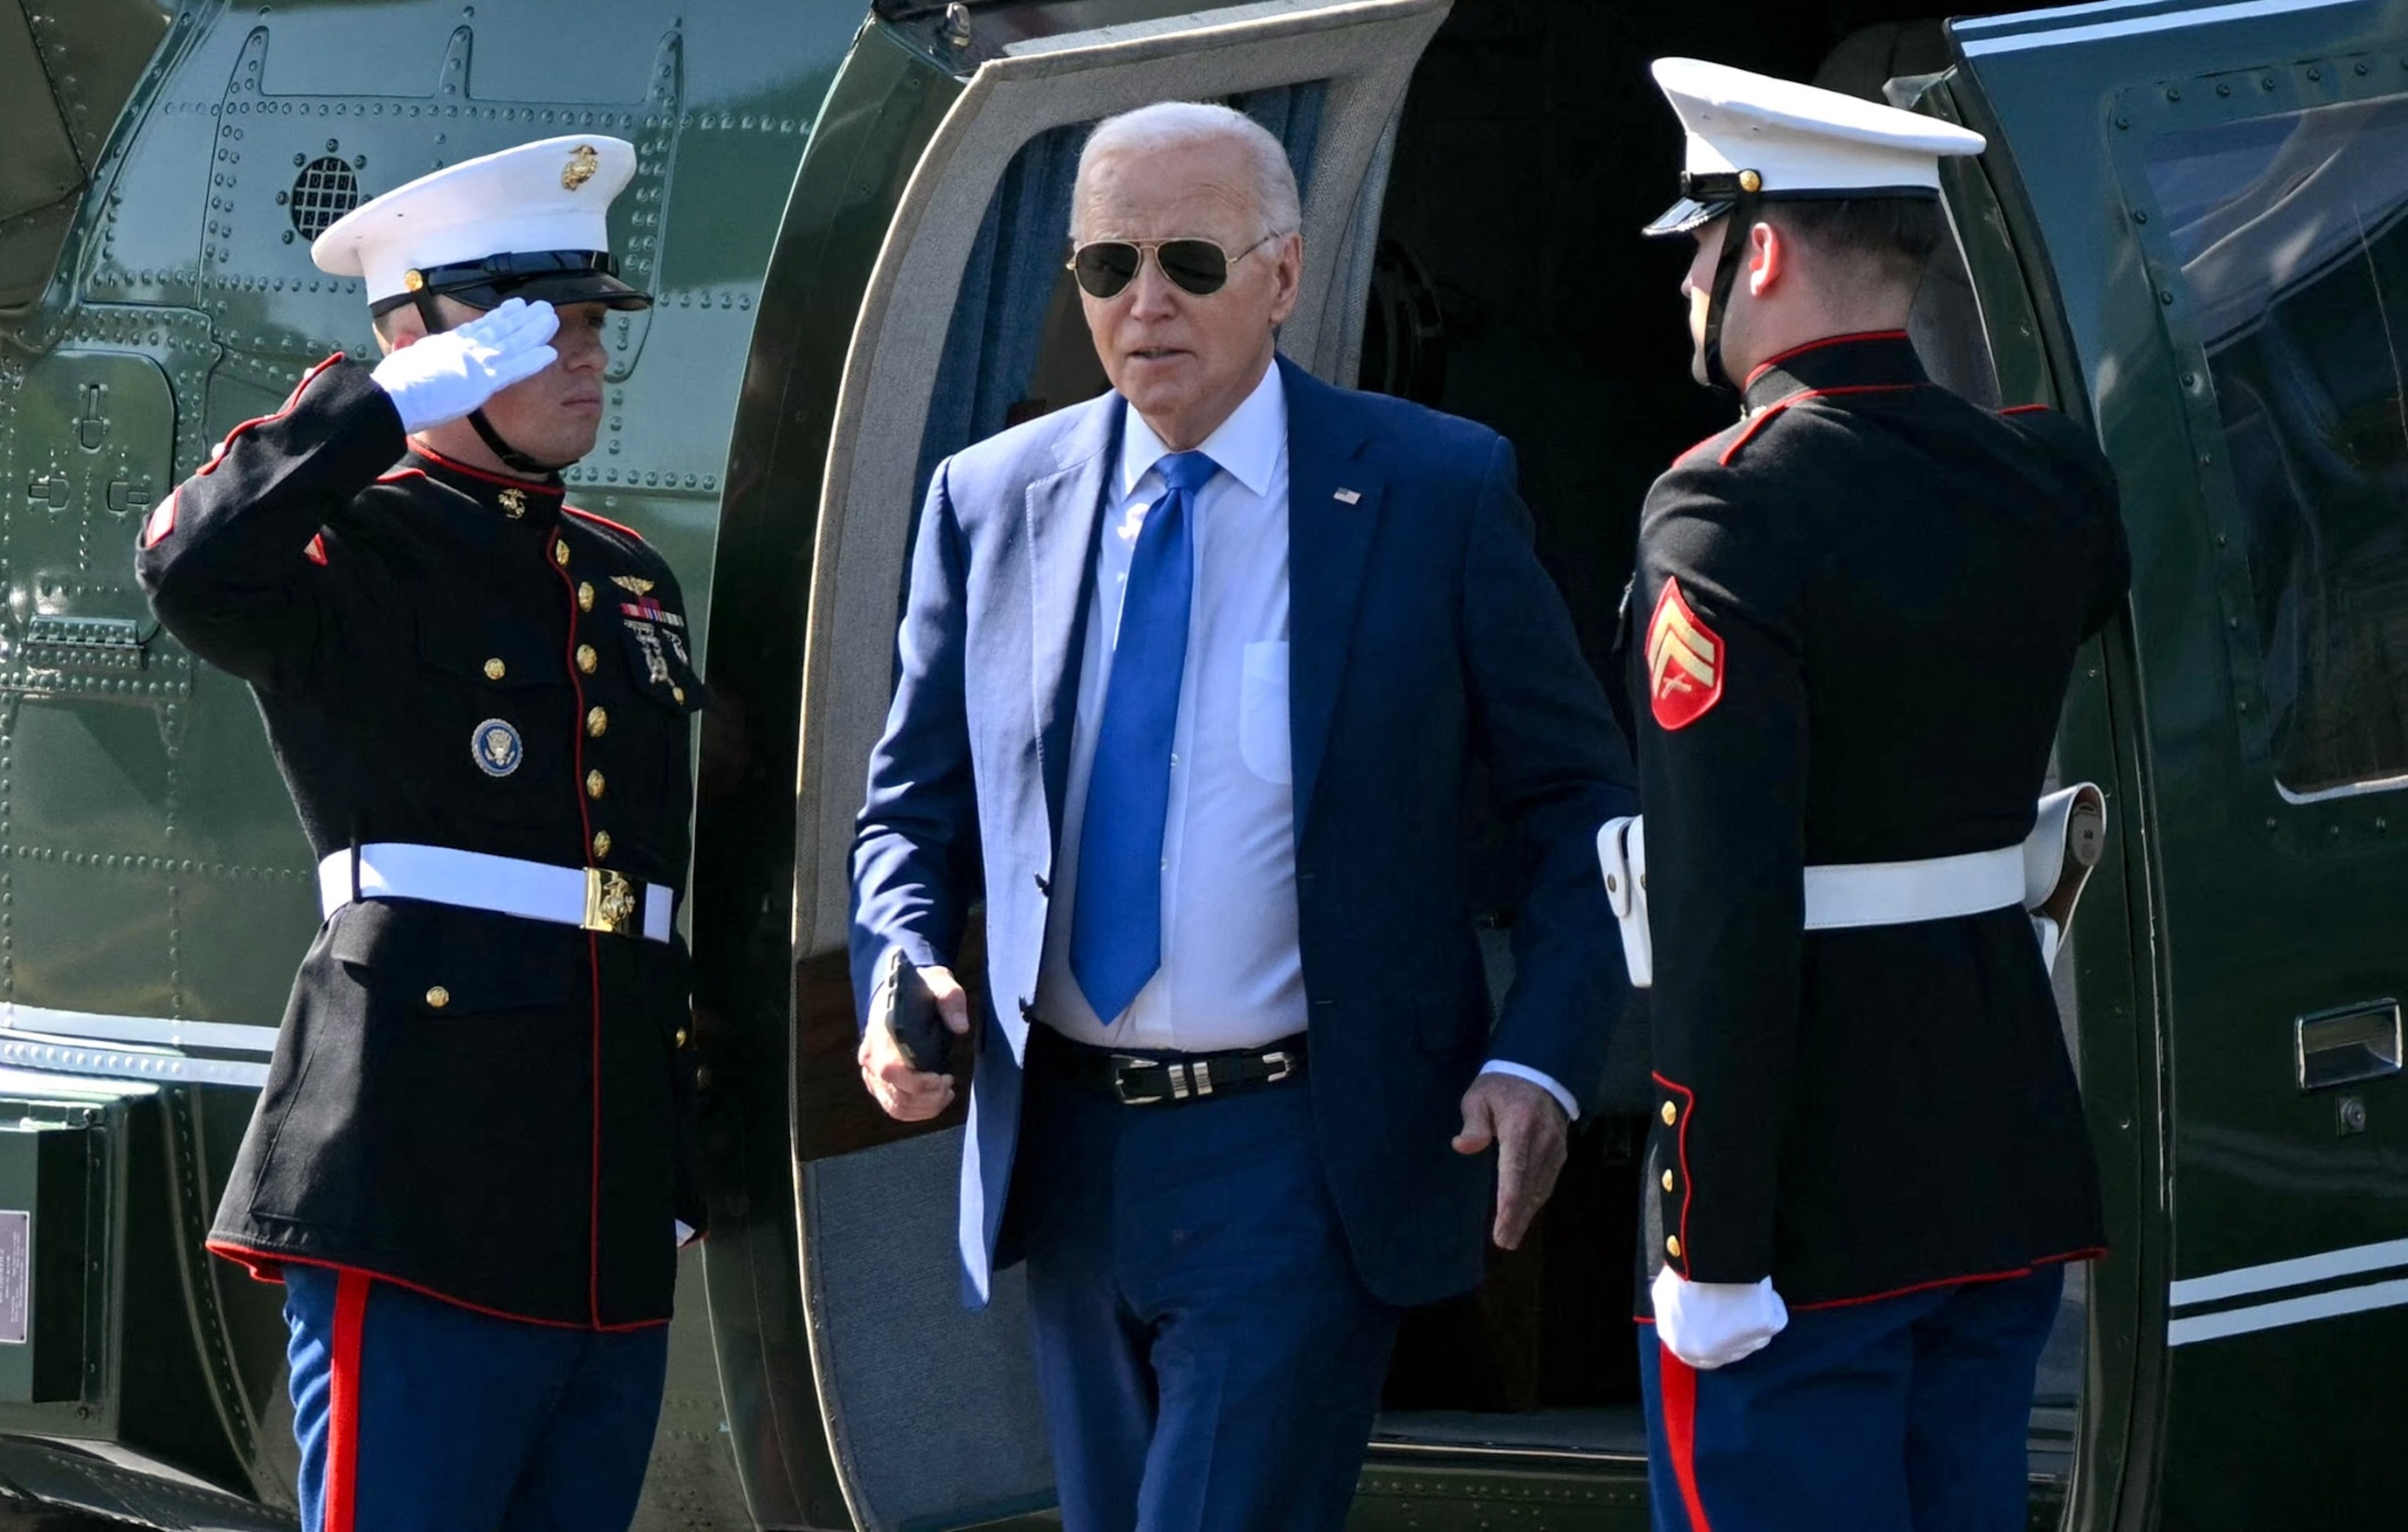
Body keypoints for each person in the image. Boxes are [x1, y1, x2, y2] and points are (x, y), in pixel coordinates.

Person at [850, 100, 1634, 1530]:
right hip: (1069, 1155)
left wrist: (1546, 1055)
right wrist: (897, 959)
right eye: (1105, 266)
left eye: (1190, 263)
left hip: (1303, 1150)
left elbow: (1581, 800)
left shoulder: (1433, 489)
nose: (1144, 302)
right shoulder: (990, 498)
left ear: (1282, 274)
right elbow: (910, 807)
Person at [135, 136, 707, 1532]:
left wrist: (686, 1153)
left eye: (590, 322)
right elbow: (190, 566)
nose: (582, 353)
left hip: (607, 1184)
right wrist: (374, 411)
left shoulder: (624, 572)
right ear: (418, 331)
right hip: (421, 1177)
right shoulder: (349, 547)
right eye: (535, 323)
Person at [1612, 60, 2131, 1532]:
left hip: (1804, 1206)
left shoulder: (1725, 501)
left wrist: (1708, 1243)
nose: (1692, 285)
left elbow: (1721, 893)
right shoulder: (2046, 483)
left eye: (1701, 249)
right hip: (1999, 1160)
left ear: (1759, 251)